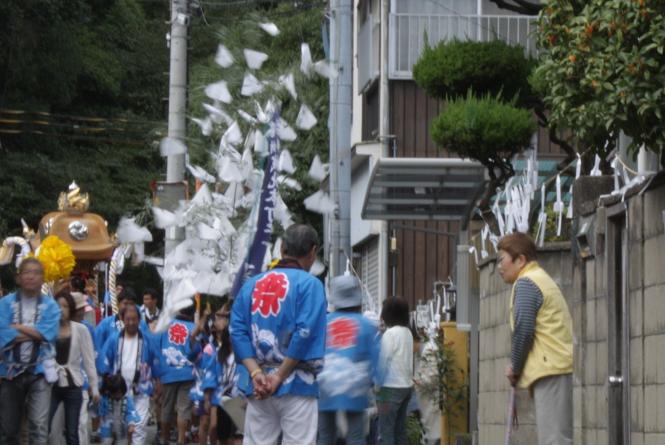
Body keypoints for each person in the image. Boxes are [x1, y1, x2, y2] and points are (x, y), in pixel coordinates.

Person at [230, 224, 327, 445]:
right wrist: (280, 376)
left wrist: (255, 373)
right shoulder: (311, 285)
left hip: (260, 383)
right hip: (296, 382)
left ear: (282, 248)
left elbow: (236, 330)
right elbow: (305, 333)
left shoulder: (251, 285)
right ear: (313, 252)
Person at [497, 232, 573, 445]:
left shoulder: (527, 283)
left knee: (554, 440)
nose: (498, 267)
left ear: (520, 260)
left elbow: (523, 329)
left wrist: (515, 366)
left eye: (501, 260)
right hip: (554, 367)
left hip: (551, 368)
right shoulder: (538, 278)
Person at [0, 257, 62, 445]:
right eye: (27, 272)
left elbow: (48, 334)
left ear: (43, 278)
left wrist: (17, 327)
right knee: (8, 429)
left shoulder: (51, 306)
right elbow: (2, 334)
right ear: (18, 278)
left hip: (40, 372)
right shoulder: (4, 304)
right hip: (10, 372)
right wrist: (36, 332)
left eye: (36, 273)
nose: (31, 277)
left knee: (39, 427)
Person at [317, 275, 380, 445]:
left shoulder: (323, 323)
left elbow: (314, 354)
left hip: (325, 385)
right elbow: (377, 359)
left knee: (325, 436)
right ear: (358, 299)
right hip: (355, 387)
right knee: (356, 436)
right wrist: (378, 384)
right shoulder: (366, 325)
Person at [97, 305, 159, 445]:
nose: (131, 322)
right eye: (128, 319)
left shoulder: (147, 340)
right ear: (123, 320)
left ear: (139, 320)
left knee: (139, 425)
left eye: (134, 319)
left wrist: (158, 383)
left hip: (140, 389)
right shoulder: (114, 339)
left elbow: (155, 362)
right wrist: (106, 383)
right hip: (118, 391)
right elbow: (105, 360)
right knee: (119, 428)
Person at [49, 291, 100, 445]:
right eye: (57, 306)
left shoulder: (81, 329)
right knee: (50, 428)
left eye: (64, 306)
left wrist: (94, 387)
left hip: (74, 386)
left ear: (70, 309)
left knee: (73, 431)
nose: (61, 309)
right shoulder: (49, 329)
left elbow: (89, 360)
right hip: (52, 385)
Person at [154, 305, 201, 445]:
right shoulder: (194, 328)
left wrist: (157, 375)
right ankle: (181, 439)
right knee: (183, 408)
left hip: (167, 372)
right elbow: (198, 351)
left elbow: (156, 348)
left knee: (166, 407)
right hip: (187, 372)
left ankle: (165, 439)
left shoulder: (165, 325)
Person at [202, 302, 244, 445]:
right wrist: (207, 398)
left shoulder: (246, 356)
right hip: (222, 399)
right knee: (221, 434)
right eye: (231, 335)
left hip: (240, 399)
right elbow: (210, 375)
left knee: (239, 434)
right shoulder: (220, 353)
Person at [376, 297, 413, 445]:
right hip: (406, 387)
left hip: (389, 389)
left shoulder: (390, 334)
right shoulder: (407, 333)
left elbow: (382, 362)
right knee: (400, 431)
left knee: (386, 432)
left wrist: (376, 386)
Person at [94, 288, 148, 353]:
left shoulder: (142, 324)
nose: (128, 306)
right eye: (125, 303)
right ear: (118, 304)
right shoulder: (106, 323)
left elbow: (148, 347)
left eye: (131, 304)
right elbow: (97, 347)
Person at [97, 374, 141, 445]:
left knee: (122, 441)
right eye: (114, 394)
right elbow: (101, 414)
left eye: (118, 393)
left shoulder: (127, 400)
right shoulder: (104, 399)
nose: (116, 396)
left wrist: (131, 424)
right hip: (107, 427)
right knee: (106, 441)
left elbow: (130, 412)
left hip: (122, 427)